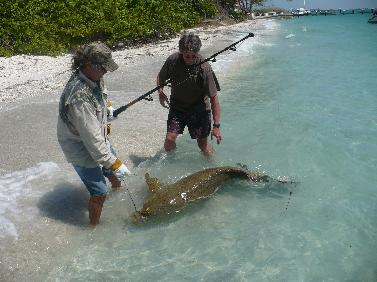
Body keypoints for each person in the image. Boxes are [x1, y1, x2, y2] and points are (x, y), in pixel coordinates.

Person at [57, 42, 131, 226]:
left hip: (94, 135)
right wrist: (113, 162)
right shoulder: (79, 98)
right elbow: (92, 141)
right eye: (103, 68)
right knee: (99, 192)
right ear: (88, 65)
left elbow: (101, 93)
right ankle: (93, 229)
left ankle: (119, 194)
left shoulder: (95, 75)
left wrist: (108, 109)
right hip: (78, 145)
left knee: (114, 173)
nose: (106, 71)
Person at [156, 32, 222, 156]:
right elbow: (161, 77)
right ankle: (173, 163)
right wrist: (160, 92)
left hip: (200, 108)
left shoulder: (205, 67)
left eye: (194, 56)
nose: (190, 59)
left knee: (203, 146)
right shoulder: (173, 60)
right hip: (177, 107)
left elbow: (214, 99)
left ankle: (211, 164)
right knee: (169, 141)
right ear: (181, 52)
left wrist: (216, 126)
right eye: (187, 56)